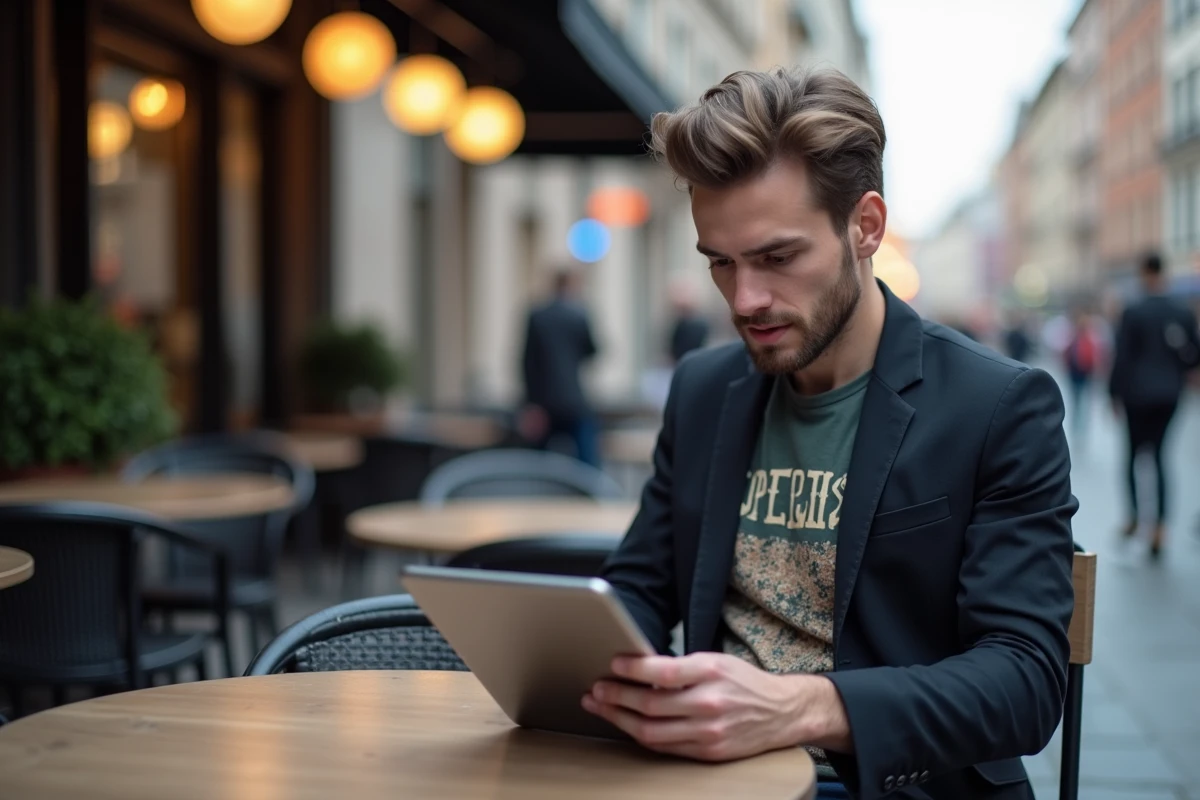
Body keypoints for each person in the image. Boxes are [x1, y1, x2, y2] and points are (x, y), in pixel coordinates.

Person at [584, 67, 1077, 800]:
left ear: (866, 227)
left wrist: (803, 707)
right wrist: (580, 653)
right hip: (708, 780)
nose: (746, 299)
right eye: (721, 262)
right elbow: (642, 586)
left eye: (779, 258)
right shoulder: (703, 390)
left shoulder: (998, 405)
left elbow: (1024, 681)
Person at [1108, 252, 1200, 557]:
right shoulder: (1181, 310)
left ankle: (1135, 517)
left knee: (1133, 457)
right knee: (1160, 457)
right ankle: (1160, 527)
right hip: (1169, 394)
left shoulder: (1133, 310)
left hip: (1136, 395)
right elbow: (1192, 356)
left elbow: (1121, 357)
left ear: (1143, 273)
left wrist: (1113, 394)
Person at [519, 267, 601, 467]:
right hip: (573, 400)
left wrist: (530, 404)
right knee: (587, 462)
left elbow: (527, 361)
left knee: (538, 463)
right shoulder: (579, 315)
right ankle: (591, 495)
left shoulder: (537, 315)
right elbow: (593, 351)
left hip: (543, 402)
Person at [1063, 310, 1100, 442]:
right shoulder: (1076, 337)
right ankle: (1078, 427)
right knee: (1078, 401)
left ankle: (1080, 428)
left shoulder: (1088, 338)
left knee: (1080, 402)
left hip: (1084, 373)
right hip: (1076, 373)